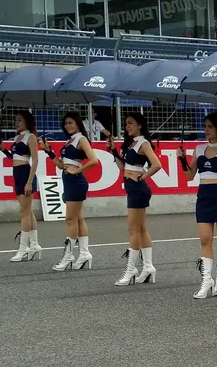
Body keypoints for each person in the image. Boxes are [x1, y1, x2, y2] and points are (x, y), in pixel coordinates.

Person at [177, 114, 217, 299]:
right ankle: (206, 280)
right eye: (205, 126)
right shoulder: (198, 148)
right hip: (204, 195)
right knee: (205, 239)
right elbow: (190, 176)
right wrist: (181, 160)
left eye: (210, 126)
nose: (206, 130)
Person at [109, 113, 161, 286]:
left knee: (133, 230)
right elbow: (124, 168)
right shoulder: (131, 143)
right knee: (141, 229)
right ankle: (148, 267)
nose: (127, 126)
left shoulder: (143, 143)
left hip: (138, 189)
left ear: (139, 125)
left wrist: (142, 177)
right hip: (132, 188)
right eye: (126, 124)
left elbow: (157, 164)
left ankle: (131, 269)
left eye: (130, 123)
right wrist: (114, 152)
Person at [42, 113, 98, 271]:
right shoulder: (70, 141)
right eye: (65, 123)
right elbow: (61, 165)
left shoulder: (81, 139)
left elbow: (94, 160)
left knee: (70, 219)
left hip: (76, 181)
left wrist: (77, 170)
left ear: (78, 123)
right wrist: (49, 151)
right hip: (69, 181)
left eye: (70, 122)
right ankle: (84, 253)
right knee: (78, 219)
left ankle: (68, 256)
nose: (67, 126)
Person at [4, 111, 41, 260]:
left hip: (25, 172)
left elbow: (35, 160)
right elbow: (14, 158)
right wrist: (3, 151)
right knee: (27, 211)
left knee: (24, 212)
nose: (17, 122)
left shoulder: (30, 137)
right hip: (17, 172)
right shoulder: (16, 137)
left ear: (27, 122)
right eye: (16, 120)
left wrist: (29, 181)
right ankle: (34, 243)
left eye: (19, 120)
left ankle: (23, 247)